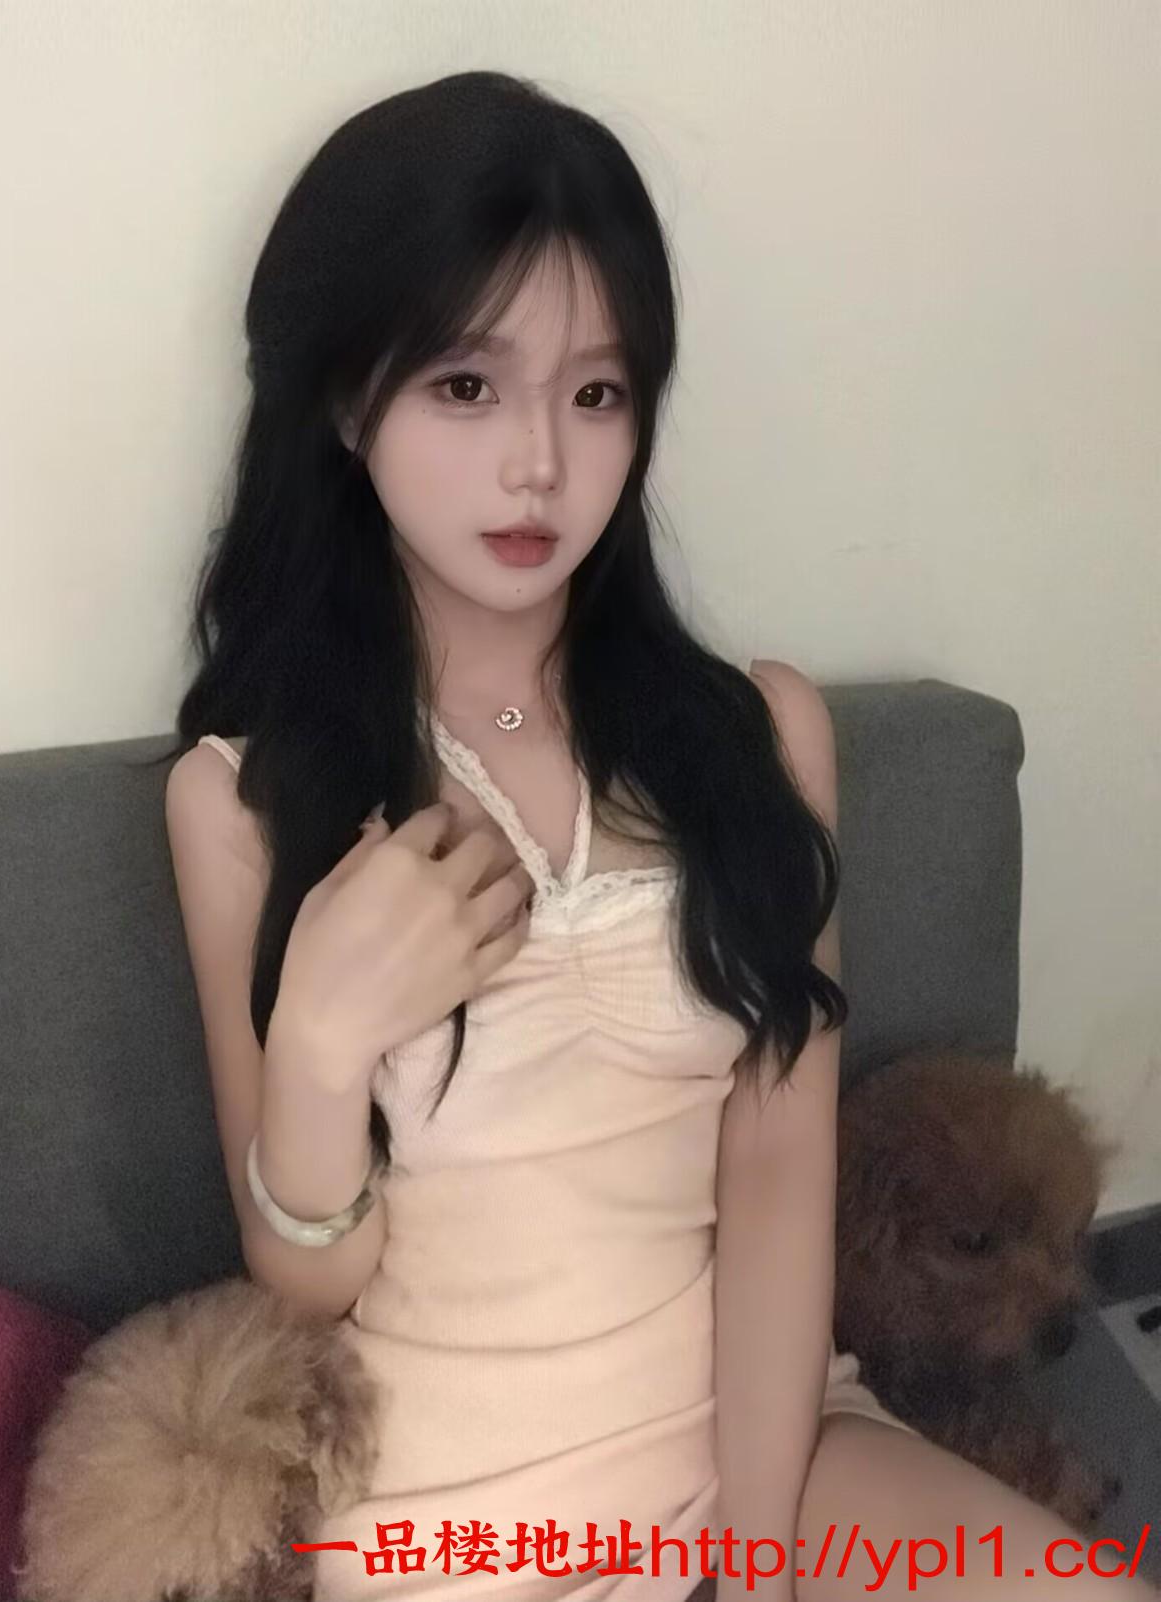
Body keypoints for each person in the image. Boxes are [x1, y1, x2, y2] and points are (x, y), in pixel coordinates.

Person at [158, 70, 1159, 1602]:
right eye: (468, 387)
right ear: (349, 401)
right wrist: (318, 1044)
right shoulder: (245, 798)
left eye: (598, 392)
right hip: (453, 1528)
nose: (541, 464)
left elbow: (779, 1169)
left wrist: (752, 1560)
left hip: (766, 1455)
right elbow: (305, 1283)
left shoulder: (757, 736)